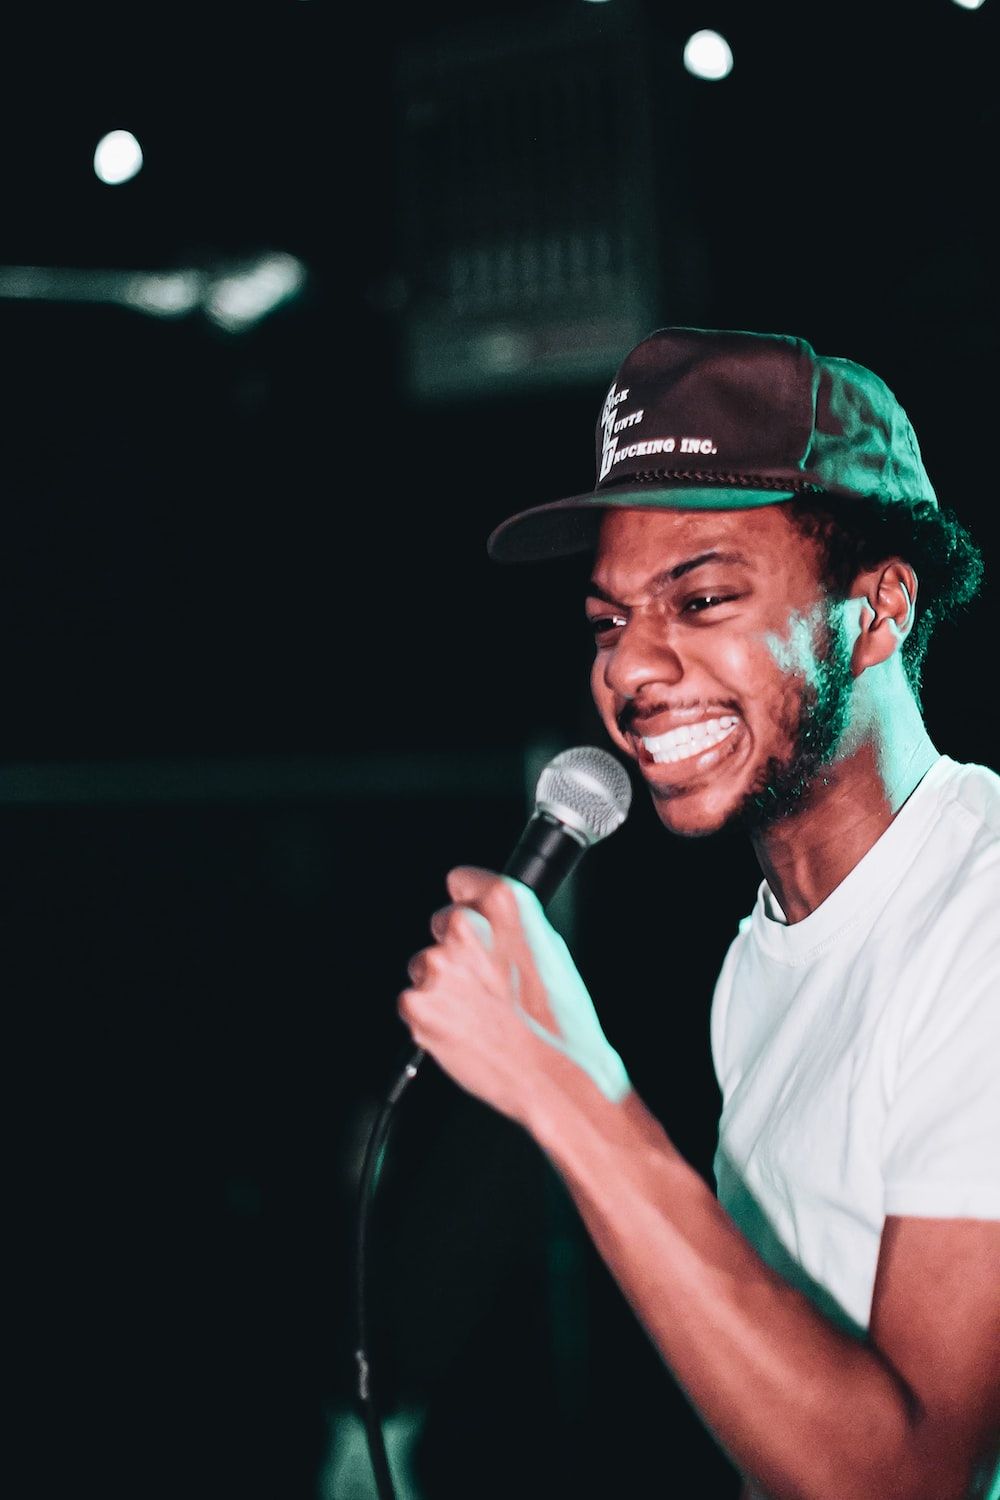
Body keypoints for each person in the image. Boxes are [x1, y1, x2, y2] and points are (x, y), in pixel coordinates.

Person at [397, 326, 1000, 1500]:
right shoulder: (759, 957)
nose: (629, 669)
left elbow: (914, 1480)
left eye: (705, 596)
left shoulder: (981, 917)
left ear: (876, 612)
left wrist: (563, 1082)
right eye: (608, 620)